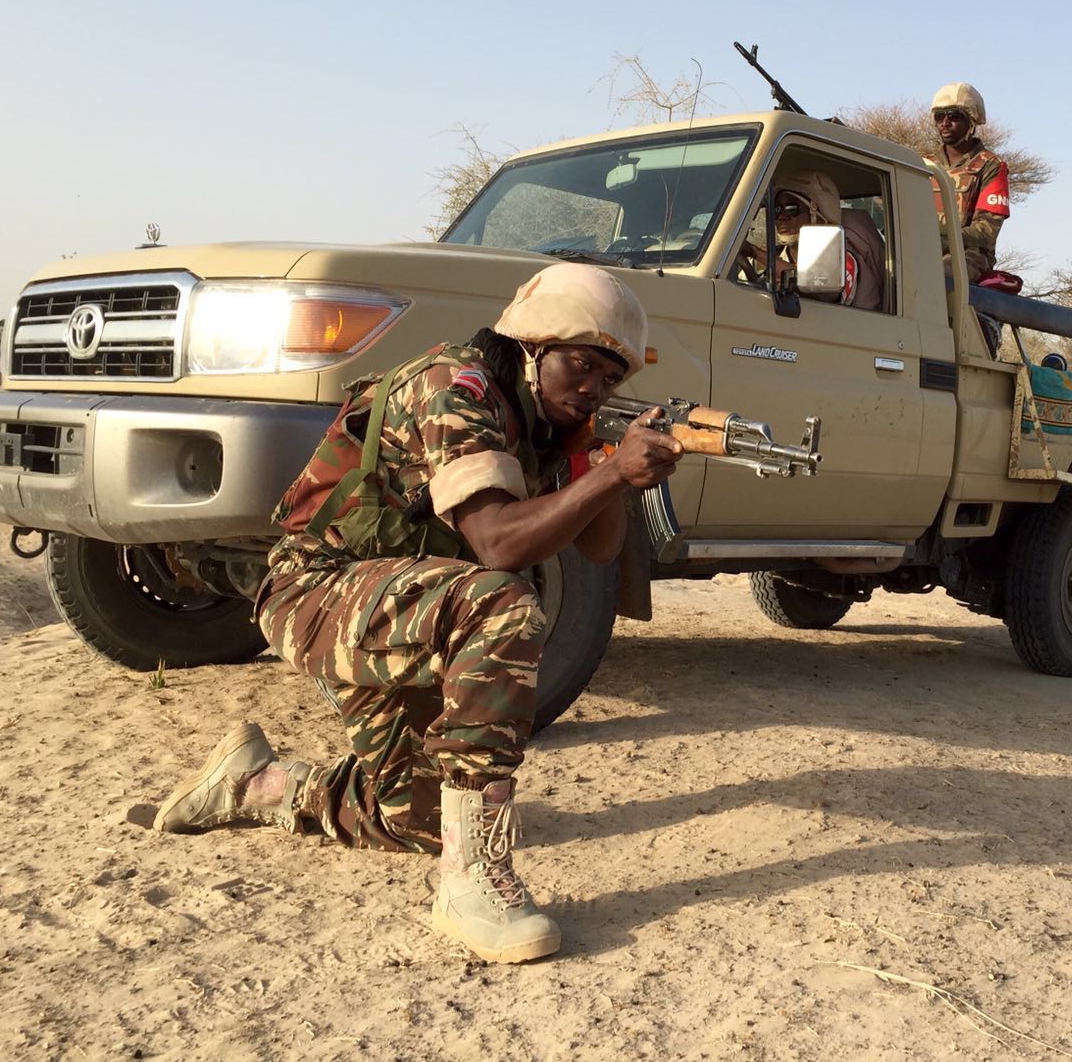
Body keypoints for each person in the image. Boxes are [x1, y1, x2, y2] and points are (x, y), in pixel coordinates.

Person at [152, 263, 683, 964]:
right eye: (580, 365)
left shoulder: (546, 422)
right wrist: (613, 470)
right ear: (532, 345)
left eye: (609, 379)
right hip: (315, 592)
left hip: (402, 607)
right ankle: (471, 882)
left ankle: (258, 784)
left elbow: (599, 549)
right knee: (502, 603)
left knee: (422, 818)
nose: (592, 387)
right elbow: (499, 545)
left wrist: (601, 461)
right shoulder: (455, 389)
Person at [738, 169, 885, 311]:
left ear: (816, 212)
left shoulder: (842, 258)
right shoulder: (772, 257)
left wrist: (754, 252)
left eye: (791, 208)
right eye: (777, 210)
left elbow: (823, 293)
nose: (782, 217)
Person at [922, 82, 1012, 285]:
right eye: (939, 117)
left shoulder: (991, 165)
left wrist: (944, 240)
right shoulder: (924, 163)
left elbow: (987, 230)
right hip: (922, 246)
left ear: (971, 121)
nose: (945, 123)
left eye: (954, 116)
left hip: (968, 253)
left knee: (941, 279)